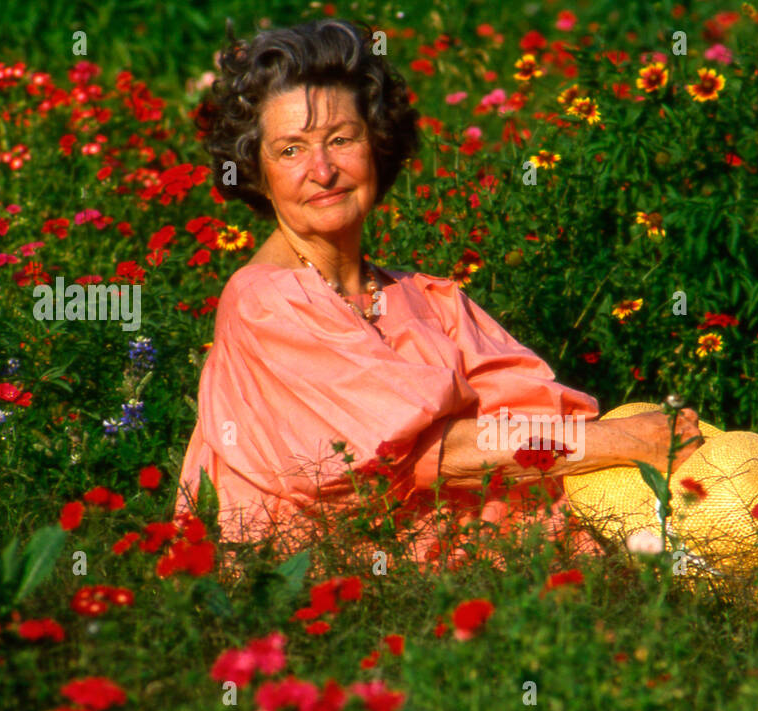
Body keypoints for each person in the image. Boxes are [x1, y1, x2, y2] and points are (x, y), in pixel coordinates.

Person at [175, 18, 703, 578]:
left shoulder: (425, 298)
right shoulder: (266, 301)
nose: (322, 170)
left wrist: (626, 440)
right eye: (290, 150)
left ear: (376, 145)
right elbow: (412, 457)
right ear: (256, 171)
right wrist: (630, 441)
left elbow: (530, 415)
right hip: (324, 590)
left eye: (340, 139)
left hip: (458, 566)